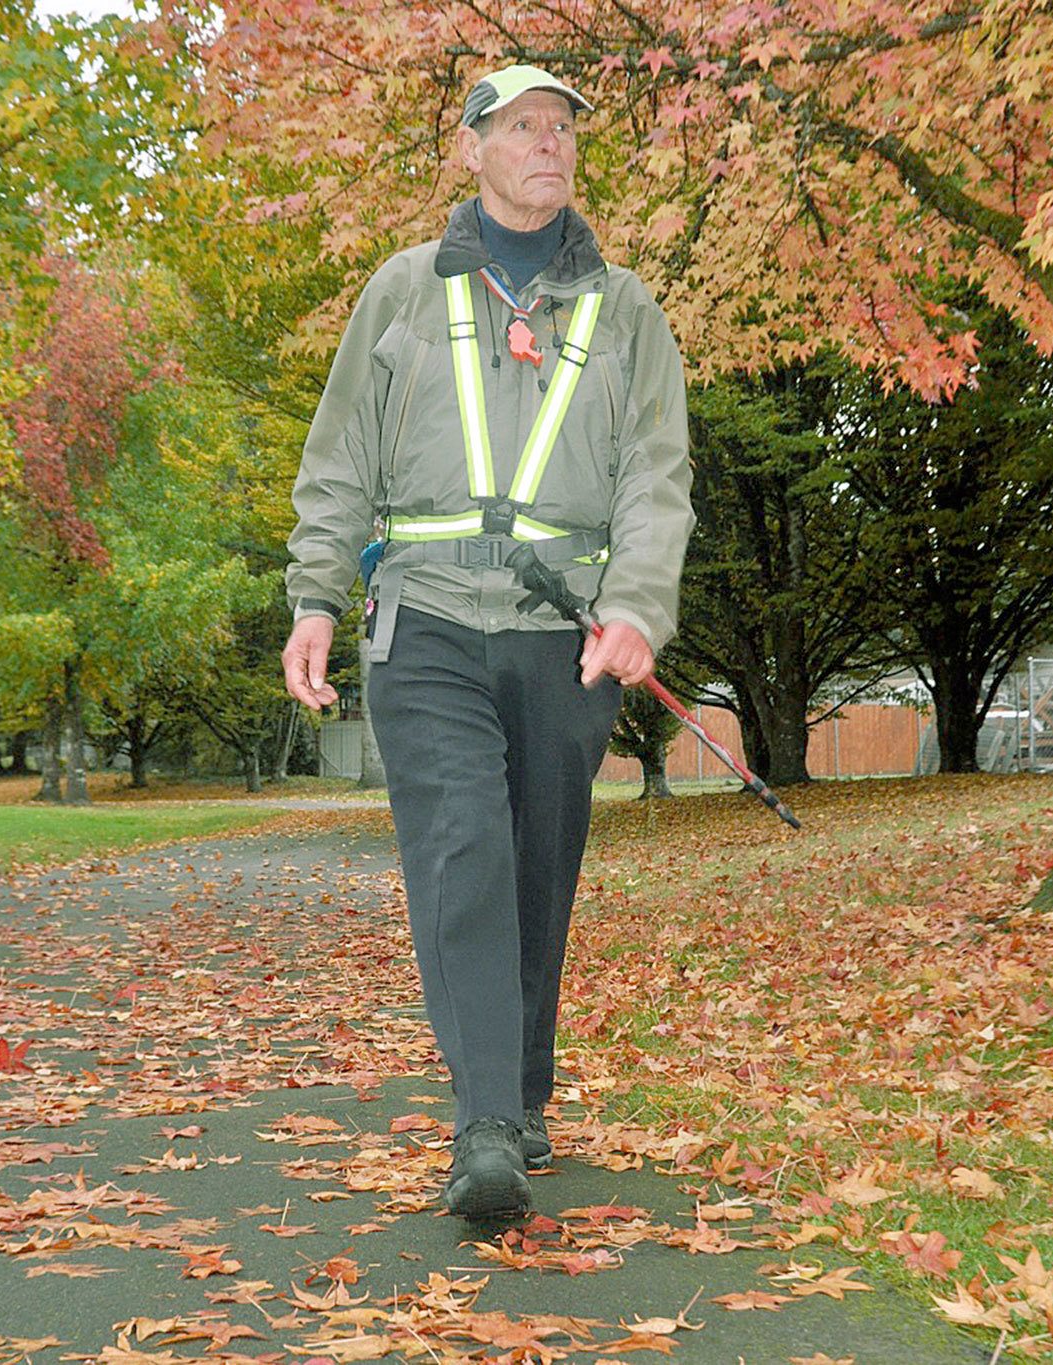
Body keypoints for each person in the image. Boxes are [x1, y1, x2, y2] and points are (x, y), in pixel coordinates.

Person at [281, 64, 693, 1220]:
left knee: (536, 867)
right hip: (424, 618)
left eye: (560, 127)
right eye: (520, 125)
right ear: (472, 149)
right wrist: (315, 597)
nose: (546, 142)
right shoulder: (402, 291)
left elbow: (656, 475)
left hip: (564, 632)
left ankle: (518, 1090)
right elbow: (339, 457)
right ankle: (485, 1129)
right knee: (464, 846)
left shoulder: (625, 309)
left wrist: (635, 606)